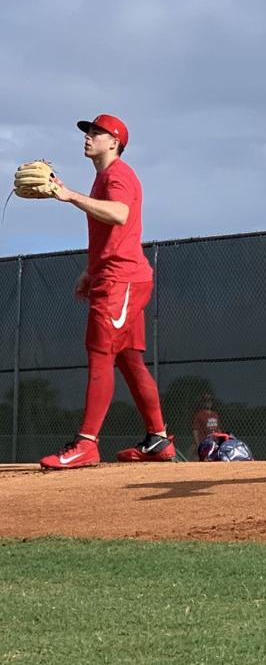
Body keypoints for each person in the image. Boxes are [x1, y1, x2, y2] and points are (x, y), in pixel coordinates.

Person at [39, 114, 175, 469]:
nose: (88, 137)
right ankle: (158, 439)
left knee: (100, 351)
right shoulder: (103, 176)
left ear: (114, 142)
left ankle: (86, 444)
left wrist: (68, 195)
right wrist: (90, 270)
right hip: (116, 276)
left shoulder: (118, 174)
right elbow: (114, 233)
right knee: (129, 360)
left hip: (122, 281)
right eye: (88, 132)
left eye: (96, 133)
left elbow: (118, 214)